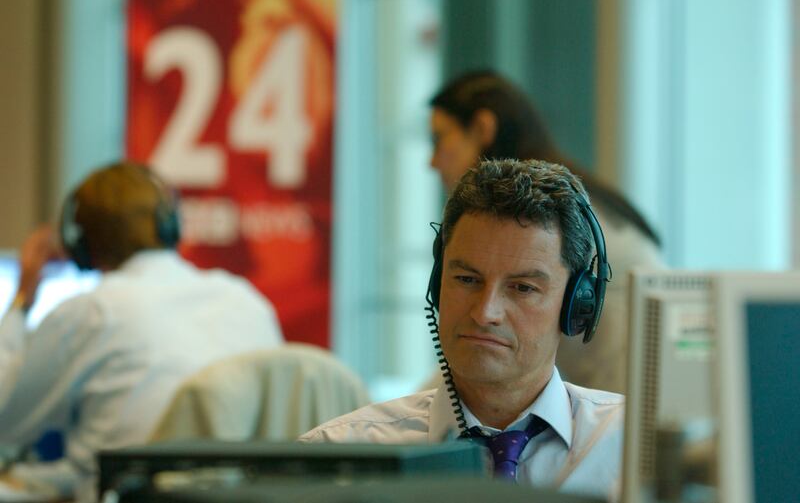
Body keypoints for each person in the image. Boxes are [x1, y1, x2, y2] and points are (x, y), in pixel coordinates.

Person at [300, 160, 624, 500]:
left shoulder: (632, 451)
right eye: (467, 280)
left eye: (523, 288)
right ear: (437, 284)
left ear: (577, 305)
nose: (486, 313)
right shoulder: (340, 465)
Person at [0, 162, 284, 501]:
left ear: (82, 244)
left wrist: (23, 298)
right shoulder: (248, 301)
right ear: (169, 225)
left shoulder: (93, 312)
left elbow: (6, 418)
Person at [428, 70, 663, 393]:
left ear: (483, 128)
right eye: (467, 279)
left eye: (439, 139)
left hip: (625, 422)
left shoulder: (548, 228)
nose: (432, 161)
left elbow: (486, 355)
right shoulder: (576, 210)